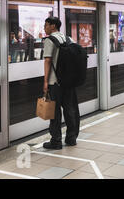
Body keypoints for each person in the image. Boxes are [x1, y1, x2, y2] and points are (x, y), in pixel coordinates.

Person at [42, 16, 80, 150]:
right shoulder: (68, 39)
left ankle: (56, 141)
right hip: (68, 82)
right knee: (70, 110)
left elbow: (47, 61)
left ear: (53, 26)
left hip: (55, 83)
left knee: (55, 112)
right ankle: (71, 138)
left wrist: (45, 82)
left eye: (46, 25)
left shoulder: (49, 40)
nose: (44, 28)